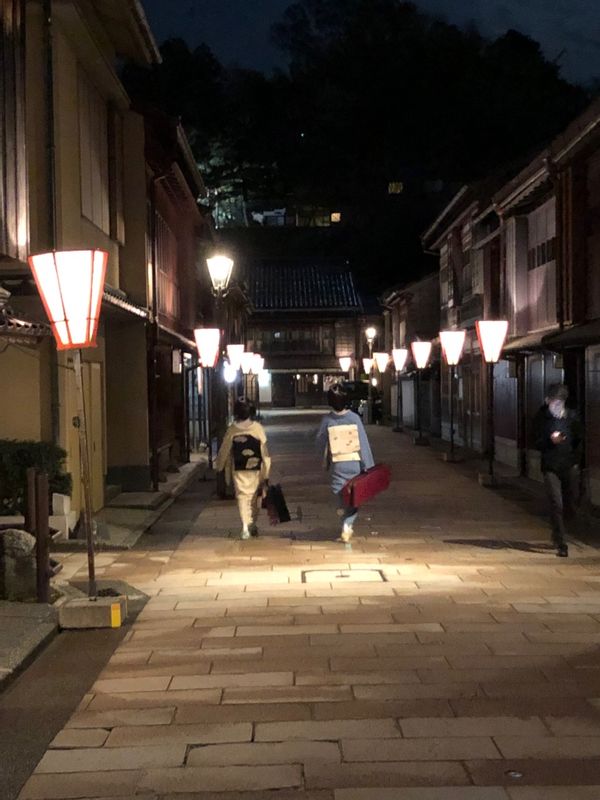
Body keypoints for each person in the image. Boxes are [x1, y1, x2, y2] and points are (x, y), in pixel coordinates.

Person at [317, 383, 375, 542]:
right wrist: (368, 466)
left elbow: (320, 441)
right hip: (354, 463)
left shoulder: (327, 420)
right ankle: (347, 524)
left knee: (340, 496)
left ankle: (344, 521)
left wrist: (325, 459)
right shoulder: (354, 418)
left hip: (338, 464)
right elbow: (363, 443)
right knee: (355, 497)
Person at [533, 383, 583, 557]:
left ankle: (558, 532)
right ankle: (561, 542)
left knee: (570, 503)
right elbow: (536, 441)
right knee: (556, 503)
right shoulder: (542, 418)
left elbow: (579, 440)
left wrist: (576, 461)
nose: (557, 404)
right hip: (550, 466)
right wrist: (549, 440)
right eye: (554, 400)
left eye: (560, 400)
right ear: (548, 400)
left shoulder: (572, 417)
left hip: (569, 466)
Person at [216, 397, 271, 540]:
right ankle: (251, 522)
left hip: (239, 468)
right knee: (254, 497)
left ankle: (246, 525)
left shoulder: (232, 430)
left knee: (242, 496)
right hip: (256, 468)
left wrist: (219, 465)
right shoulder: (257, 428)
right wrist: (267, 470)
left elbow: (224, 450)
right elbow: (264, 451)